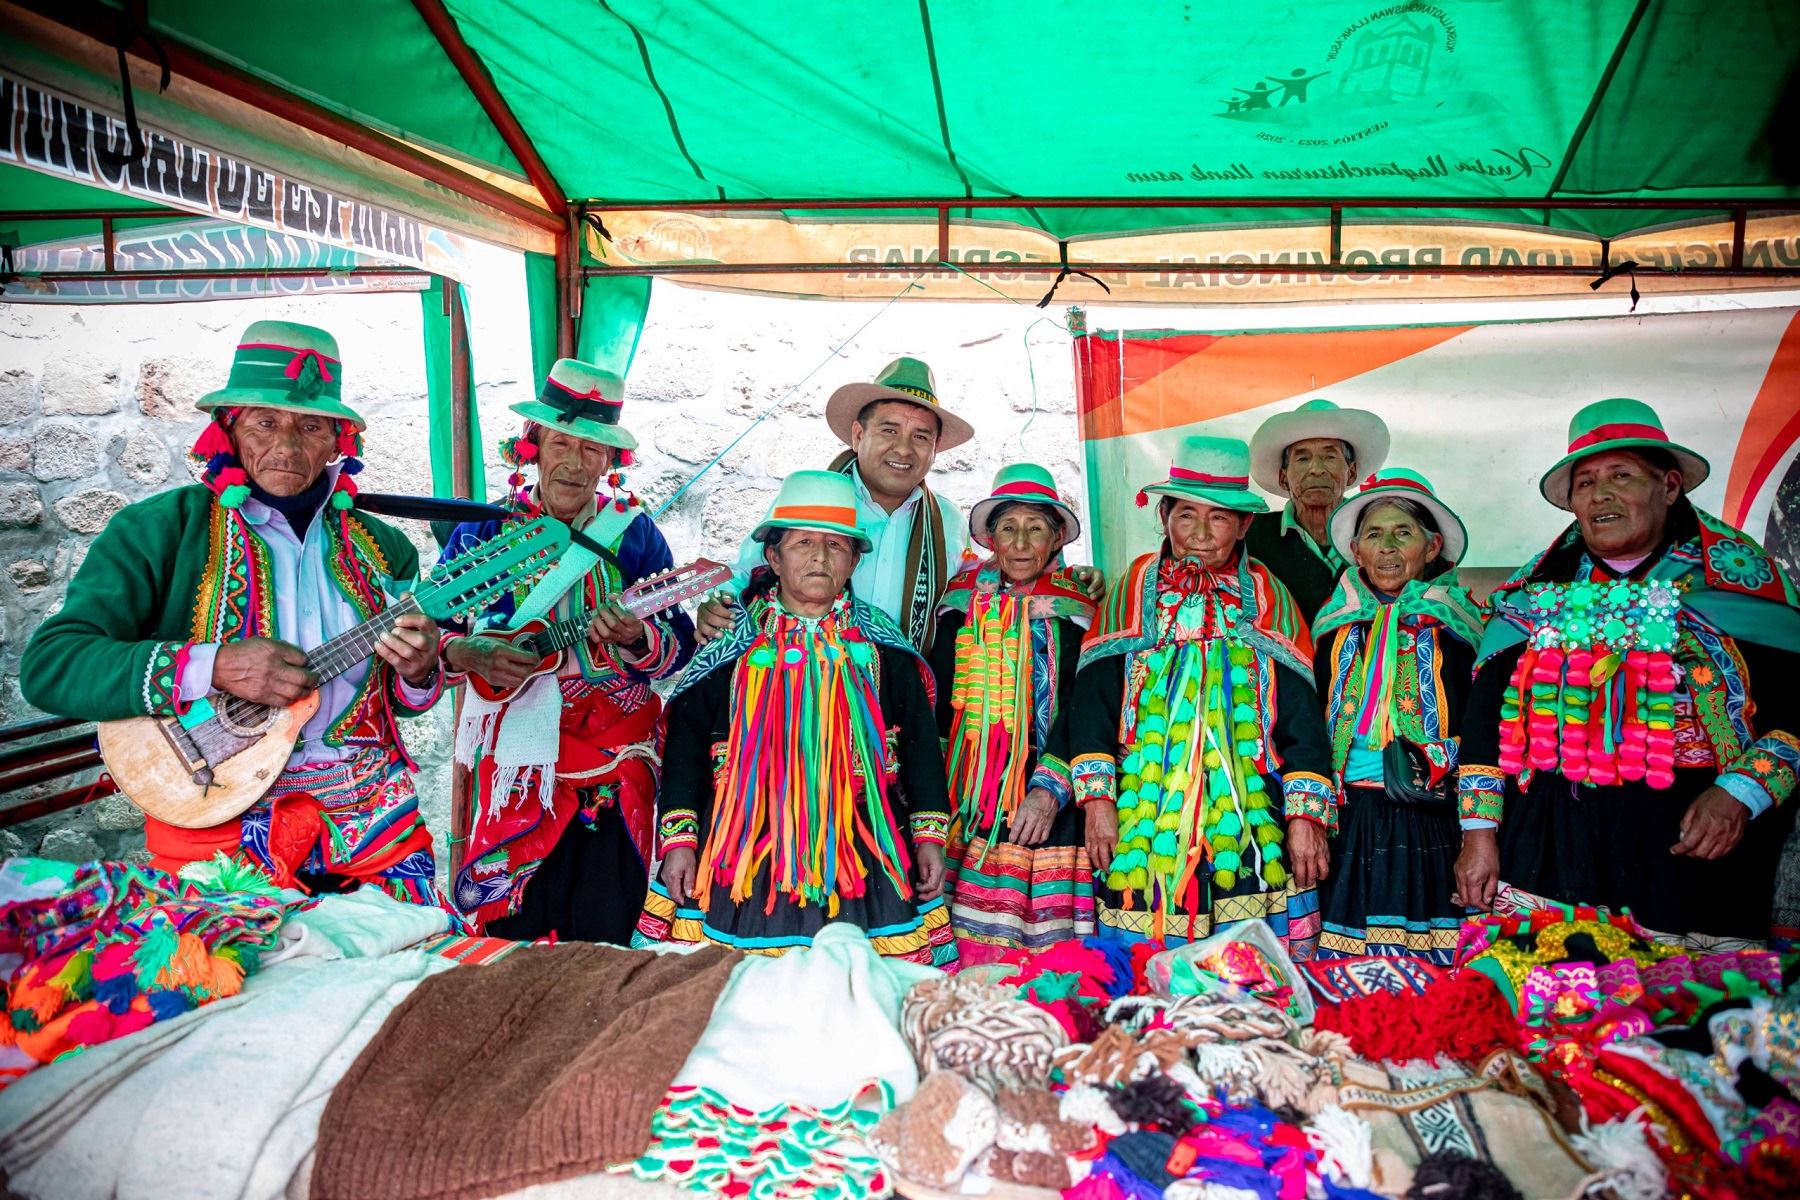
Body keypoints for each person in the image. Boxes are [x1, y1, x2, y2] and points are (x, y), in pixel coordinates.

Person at [20, 321, 449, 906]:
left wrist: (421, 671)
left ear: (339, 441)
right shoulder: (161, 532)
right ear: (229, 430)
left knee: (414, 982)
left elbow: (399, 697)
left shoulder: (384, 548)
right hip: (218, 824)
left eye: (312, 426)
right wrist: (212, 665)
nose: (289, 446)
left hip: (375, 830)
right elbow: (52, 665)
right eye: (265, 422)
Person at [1454, 398, 1800, 948]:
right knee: (1553, 1006)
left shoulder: (1737, 593)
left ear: (1668, 486)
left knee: (1679, 1017)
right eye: (1586, 483)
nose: (1601, 494)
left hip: (1688, 850)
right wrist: (1478, 837)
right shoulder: (1532, 601)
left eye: (1621, 475)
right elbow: (1482, 729)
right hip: (1552, 849)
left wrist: (1739, 792)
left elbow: (1795, 713)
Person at [635, 470, 956, 966]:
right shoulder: (732, 646)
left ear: (853, 561)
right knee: (741, 991)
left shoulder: (883, 648)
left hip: (865, 851)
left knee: (860, 987)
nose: (820, 557)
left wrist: (929, 838)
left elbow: (920, 747)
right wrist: (680, 841)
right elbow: (685, 749)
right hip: (743, 849)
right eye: (804, 542)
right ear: (773, 557)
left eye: (836, 545)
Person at [1043, 435, 1335, 953]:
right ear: (1164, 515)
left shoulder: (1270, 596)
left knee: (1248, 968)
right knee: (1143, 963)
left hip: (1249, 821)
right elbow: (1092, 704)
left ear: (1244, 524)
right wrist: (1098, 804)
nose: (1200, 533)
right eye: (1185, 515)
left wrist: (1305, 816)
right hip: (1145, 813)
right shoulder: (1134, 589)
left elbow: (1302, 719)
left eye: (1219, 518)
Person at [441, 359, 695, 942]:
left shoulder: (634, 534)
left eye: (592, 450)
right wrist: (470, 653)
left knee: (604, 921)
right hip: (517, 754)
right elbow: (433, 638)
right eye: (561, 443)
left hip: (615, 745)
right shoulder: (481, 533)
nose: (575, 463)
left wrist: (636, 637)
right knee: (514, 921)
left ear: (610, 462)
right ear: (534, 446)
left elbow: (677, 651)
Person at [693, 357, 1104, 652]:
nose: (904, 449)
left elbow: (987, 581)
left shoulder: (946, 519)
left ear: (935, 449)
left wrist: (1071, 577)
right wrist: (717, 605)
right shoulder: (815, 505)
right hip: (806, 680)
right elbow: (748, 573)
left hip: (901, 703)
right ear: (857, 434)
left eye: (921, 436)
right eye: (889, 430)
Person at [1309, 469, 1486, 964]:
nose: (1387, 547)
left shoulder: (1460, 627)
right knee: (1346, 959)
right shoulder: (1331, 626)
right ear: (1356, 552)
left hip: (1431, 815)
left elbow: (1481, 727)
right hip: (1346, 818)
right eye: (1373, 534)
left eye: (1402, 533)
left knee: (1431, 960)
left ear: (1431, 548)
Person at [928, 463, 1099, 964]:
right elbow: (937, 702)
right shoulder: (959, 603)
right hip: (967, 792)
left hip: (1046, 790)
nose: (1021, 543)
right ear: (991, 540)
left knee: (1042, 951)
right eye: (1009, 528)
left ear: (1055, 540)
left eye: (1036, 528)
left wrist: (1050, 788)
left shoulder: (1076, 611)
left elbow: (1080, 705)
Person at [1246, 398, 1391, 620]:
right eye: (1303, 458)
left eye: (1330, 456)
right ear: (1284, 478)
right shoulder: (1250, 535)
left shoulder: (1375, 532)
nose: (1316, 469)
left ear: (1351, 472)